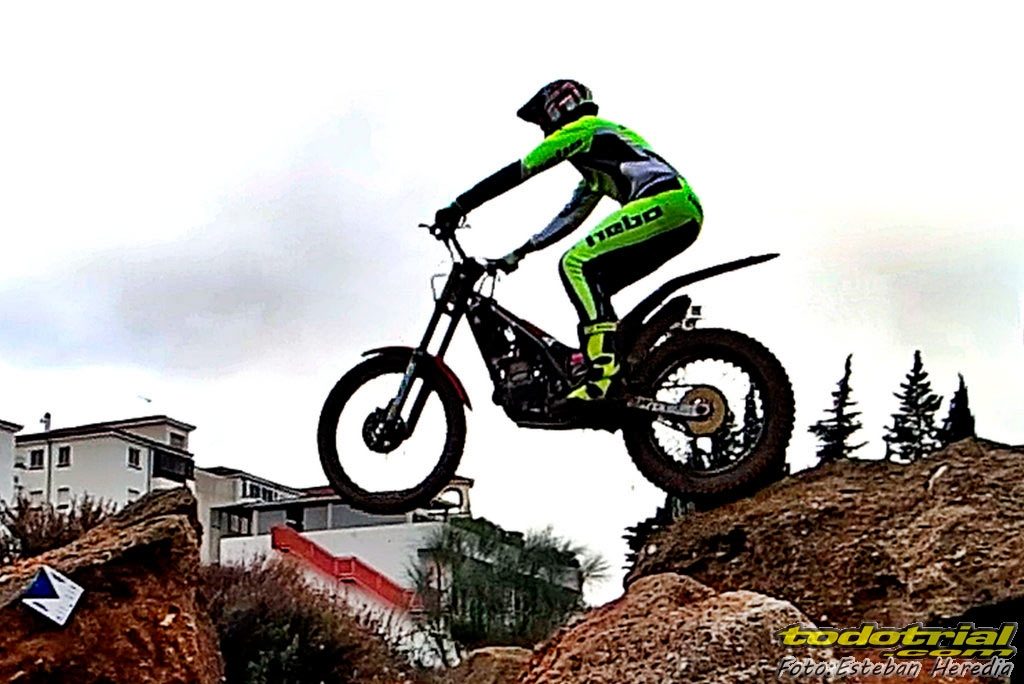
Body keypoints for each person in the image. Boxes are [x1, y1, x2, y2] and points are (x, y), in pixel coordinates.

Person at [435, 79, 703, 404]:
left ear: (558, 108)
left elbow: (520, 170)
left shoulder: (582, 129)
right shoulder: (597, 162)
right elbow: (569, 217)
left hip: (665, 202)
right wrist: (521, 252)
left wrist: (459, 206)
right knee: (595, 283)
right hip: (680, 214)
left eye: (543, 122)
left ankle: (603, 371)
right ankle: (618, 356)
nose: (544, 132)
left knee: (575, 263)